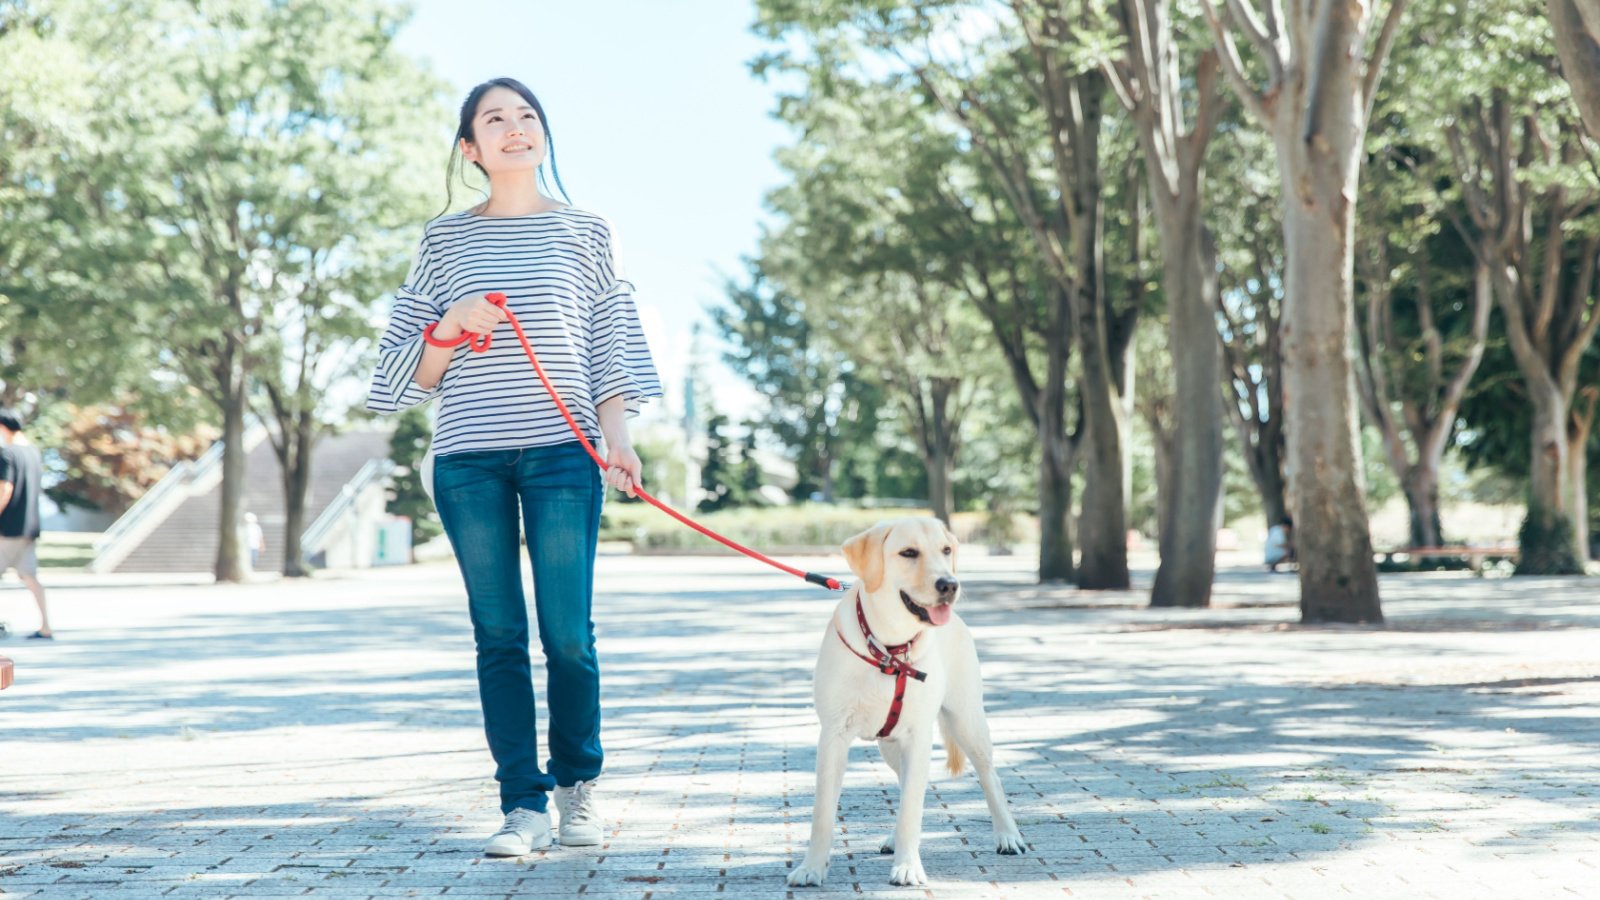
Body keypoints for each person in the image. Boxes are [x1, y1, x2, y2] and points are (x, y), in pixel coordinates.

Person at [367, 77, 662, 857]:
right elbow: (405, 375)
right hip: (468, 460)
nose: (515, 128)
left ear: (542, 135)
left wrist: (618, 436)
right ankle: (522, 806)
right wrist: (448, 326)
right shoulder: (444, 241)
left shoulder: (588, 230)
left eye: (526, 116)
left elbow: (609, 341)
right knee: (498, 633)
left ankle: (579, 791)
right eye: (494, 120)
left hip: (566, 457)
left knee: (568, 633)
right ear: (471, 148)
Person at [0, 408, 51, 640]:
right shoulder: (34, 453)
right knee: (30, 576)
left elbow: (5, 488)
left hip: (7, 528)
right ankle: (45, 626)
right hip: (29, 527)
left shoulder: (6, 453)